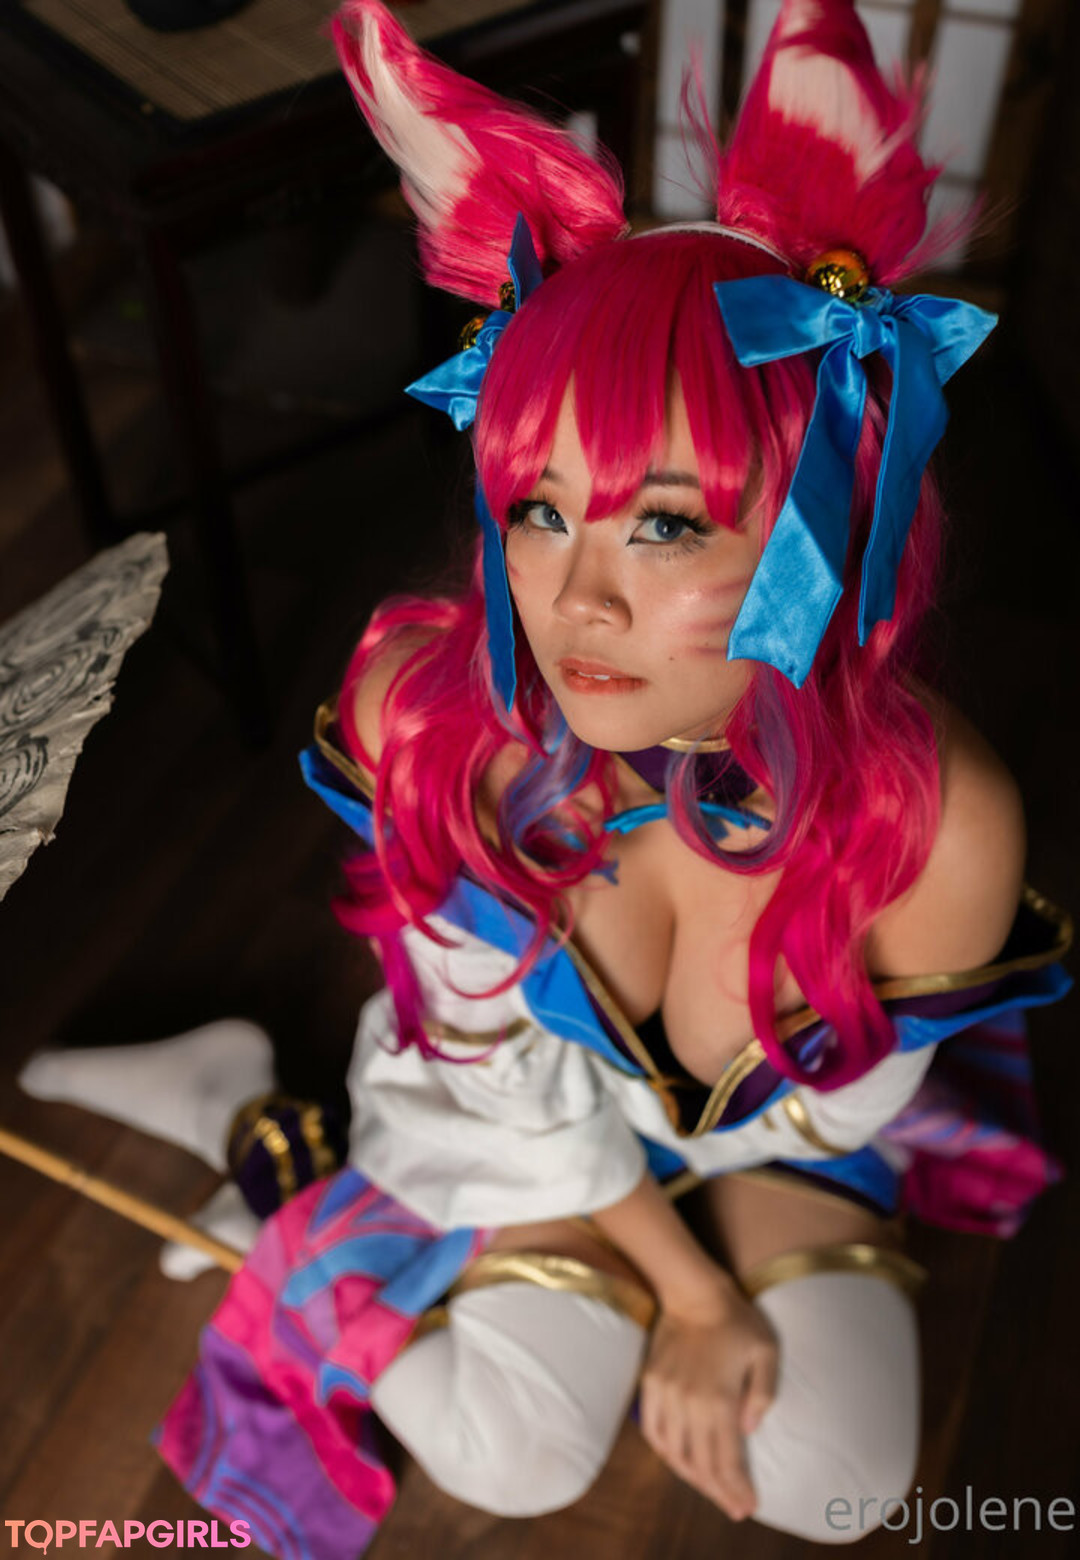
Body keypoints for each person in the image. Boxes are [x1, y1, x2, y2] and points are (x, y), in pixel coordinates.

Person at [20, 2, 1071, 1556]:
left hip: (772, 1136)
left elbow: (817, 1110)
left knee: (839, 1487)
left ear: (825, 528)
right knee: (511, 1459)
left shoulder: (940, 825)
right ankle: (258, 1122)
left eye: (664, 524)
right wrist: (691, 1296)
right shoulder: (433, 719)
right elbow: (499, 1082)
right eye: (537, 506)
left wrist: (720, 1250)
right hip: (508, 1113)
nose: (573, 600)